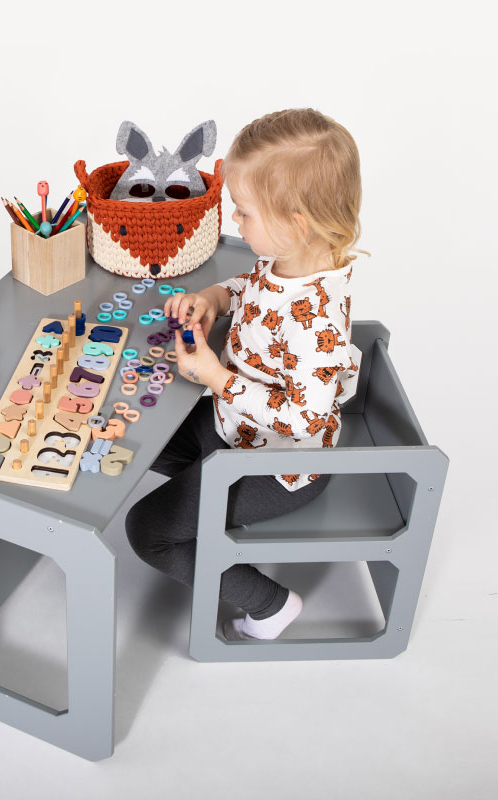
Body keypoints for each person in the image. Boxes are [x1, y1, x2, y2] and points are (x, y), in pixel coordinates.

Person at [126, 108, 364, 640]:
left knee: (147, 531)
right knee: (141, 434)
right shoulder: (290, 257)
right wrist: (214, 296)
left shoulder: (317, 317)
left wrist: (215, 377)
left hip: (279, 467)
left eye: (244, 213)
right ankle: (202, 497)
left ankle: (271, 604)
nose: (236, 223)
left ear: (294, 222)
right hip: (236, 428)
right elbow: (252, 287)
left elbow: (304, 420)